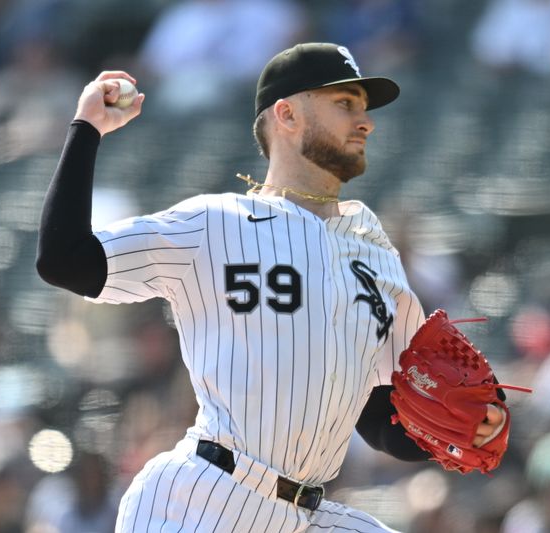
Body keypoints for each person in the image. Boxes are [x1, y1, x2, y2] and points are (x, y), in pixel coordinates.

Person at [36, 42, 505, 532]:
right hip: (201, 502)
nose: (364, 121)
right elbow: (64, 260)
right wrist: (87, 128)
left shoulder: (374, 251)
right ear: (286, 115)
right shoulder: (214, 224)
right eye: (344, 104)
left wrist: (463, 427)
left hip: (305, 513)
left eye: (363, 109)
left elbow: (373, 416)